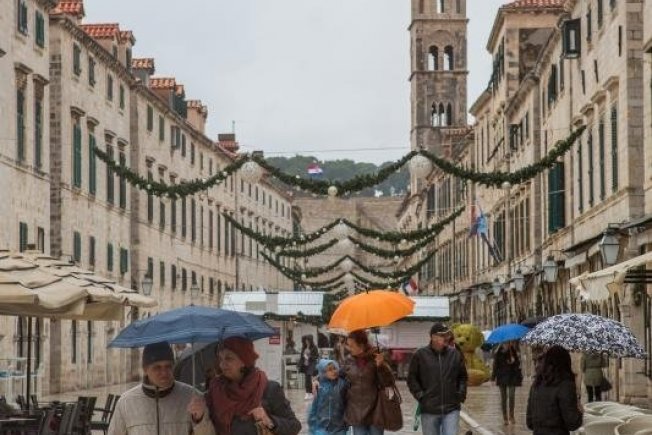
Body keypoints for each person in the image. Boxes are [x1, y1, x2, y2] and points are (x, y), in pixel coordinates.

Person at [108, 341, 215, 435]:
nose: (164, 373)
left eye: (168, 366)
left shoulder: (192, 397)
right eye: (157, 368)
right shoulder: (126, 402)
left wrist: (200, 420)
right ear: (145, 369)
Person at [206, 336, 301, 435]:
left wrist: (269, 420)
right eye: (220, 359)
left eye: (228, 358)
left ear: (244, 360)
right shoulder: (216, 389)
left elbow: (294, 426)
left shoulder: (269, 389)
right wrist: (199, 417)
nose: (222, 364)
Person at [407, 322, 468, 435]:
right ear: (433, 337)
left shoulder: (455, 354)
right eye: (442, 335)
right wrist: (421, 396)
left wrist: (460, 394)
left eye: (447, 334)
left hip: (451, 409)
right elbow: (412, 378)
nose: (446, 337)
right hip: (429, 409)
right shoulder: (420, 355)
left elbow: (463, 377)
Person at [342, 329, 396, 435]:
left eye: (352, 346)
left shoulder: (376, 358)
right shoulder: (349, 360)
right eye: (348, 345)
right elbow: (338, 375)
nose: (349, 348)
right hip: (356, 411)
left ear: (361, 345)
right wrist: (318, 380)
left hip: (375, 410)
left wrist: (381, 366)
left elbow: (388, 382)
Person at [526, 346, 583, 435]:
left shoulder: (536, 385)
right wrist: (579, 412)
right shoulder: (565, 385)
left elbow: (530, 423)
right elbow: (572, 423)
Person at [308, 359, 348, 435]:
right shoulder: (320, 387)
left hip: (339, 427)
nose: (333, 371)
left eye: (334, 368)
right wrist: (312, 426)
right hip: (321, 427)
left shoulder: (342, 384)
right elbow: (314, 407)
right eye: (330, 370)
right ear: (323, 372)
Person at [491, 341, 523, 425]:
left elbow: (518, 364)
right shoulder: (498, 352)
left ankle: (511, 415)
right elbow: (495, 365)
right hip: (502, 377)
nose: (507, 345)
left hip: (512, 377)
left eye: (508, 343)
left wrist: (514, 361)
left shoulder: (512, 351)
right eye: (505, 343)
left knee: (512, 396)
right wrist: (493, 378)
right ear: (502, 344)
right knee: (503, 398)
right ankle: (505, 417)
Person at [299, 334, 319, 400]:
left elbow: (316, 356)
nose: (306, 341)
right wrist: (300, 363)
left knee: (310, 377)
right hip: (305, 364)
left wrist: (309, 357)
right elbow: (301, 356)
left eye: (308, 340)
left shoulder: (314, 347)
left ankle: (311, 392)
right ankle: (308, 393)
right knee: (307, 378)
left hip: (312, 364)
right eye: (306, 340)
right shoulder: (304, 347)